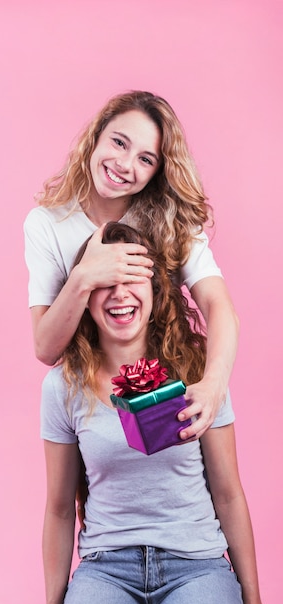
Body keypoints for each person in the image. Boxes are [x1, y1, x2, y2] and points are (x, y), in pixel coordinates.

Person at [41, 222, 264, 604]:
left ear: (155, 291)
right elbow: (59, 509)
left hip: (196, 564)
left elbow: (229, 494)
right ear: (85, 298)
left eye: (132, 279)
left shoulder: (199, 373)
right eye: (105, 282)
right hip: (107, 568)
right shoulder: (63, 386)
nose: (120, 294)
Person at [24, 90, 239, 441]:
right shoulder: (47, 224)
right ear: (95, 137)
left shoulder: (173, 220)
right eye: (119, 143)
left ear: (157, 171)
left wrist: (214, 384)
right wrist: (84, 277)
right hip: (91, 400)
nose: (124, 165)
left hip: (168, 389)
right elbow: (46, 348)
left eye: (145, 159)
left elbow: (220, 307)